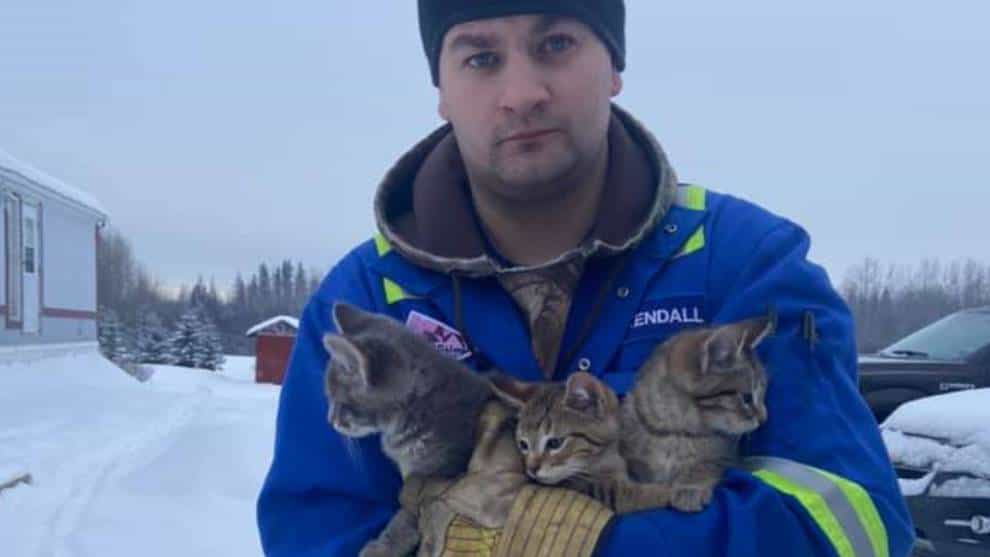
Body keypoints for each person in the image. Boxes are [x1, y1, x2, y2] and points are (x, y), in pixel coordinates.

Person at [257, 1, 914, 555]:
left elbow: (852, 522)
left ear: (614, 66)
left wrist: (588, 540)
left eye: (556, 43)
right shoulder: (366, 304)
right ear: (441, 90)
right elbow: (313, 530)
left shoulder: (745, 263)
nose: (521, 94)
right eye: (481, 58)